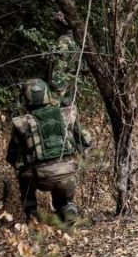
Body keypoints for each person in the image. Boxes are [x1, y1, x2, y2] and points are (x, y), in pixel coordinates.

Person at [6, 79, 91, 224]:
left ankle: (32, 214)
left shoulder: (22, 123)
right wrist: (79, 159)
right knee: (63, 187)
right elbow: (86, 141)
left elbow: (12, 157)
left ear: (25, 98)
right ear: (47, 95)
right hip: (68, 172)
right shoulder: (67, 114)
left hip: (41, 177)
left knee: (23, 175)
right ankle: (68, 207)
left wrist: (24, 164)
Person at [47, 12, 81, 107]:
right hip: (70, 84)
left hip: (61, 86)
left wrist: (55, 91)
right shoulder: (77, 41)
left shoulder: (64, 41)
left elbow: (58, 70)